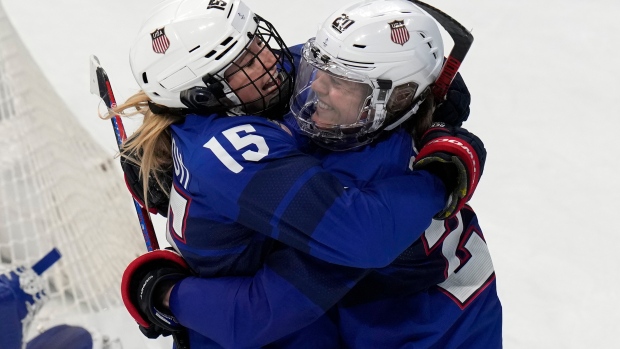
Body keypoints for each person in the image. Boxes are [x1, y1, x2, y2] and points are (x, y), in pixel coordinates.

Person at [114, 0, 496, 347]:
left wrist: (164, 293)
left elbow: (252, 315)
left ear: (395, 95)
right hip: (382, 315)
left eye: (255, 46)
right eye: (244, 64)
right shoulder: (342, 116)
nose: (307, 80)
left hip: (429, 327)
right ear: (199, 97)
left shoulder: (351, 189)